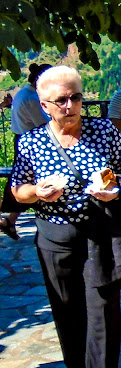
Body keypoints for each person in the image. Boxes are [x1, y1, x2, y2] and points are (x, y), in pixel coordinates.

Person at [11, 66, 121, 368]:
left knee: (103, 305)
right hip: (56, 235)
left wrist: (113, 191)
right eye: (61, 100)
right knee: (66, 306)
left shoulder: (103, 130)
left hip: (100, 230)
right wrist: (38, 192)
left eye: (76, 97)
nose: (70, 105)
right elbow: (18, 190)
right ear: (44, 105)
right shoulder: (31, 142)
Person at [0, 63, 52, 240]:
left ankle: (11, 221)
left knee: (25, 182)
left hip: (23, 141)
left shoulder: (23, 93)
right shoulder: (31, 98)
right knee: (30, 184)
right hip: (31, 146)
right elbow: (44, 125)